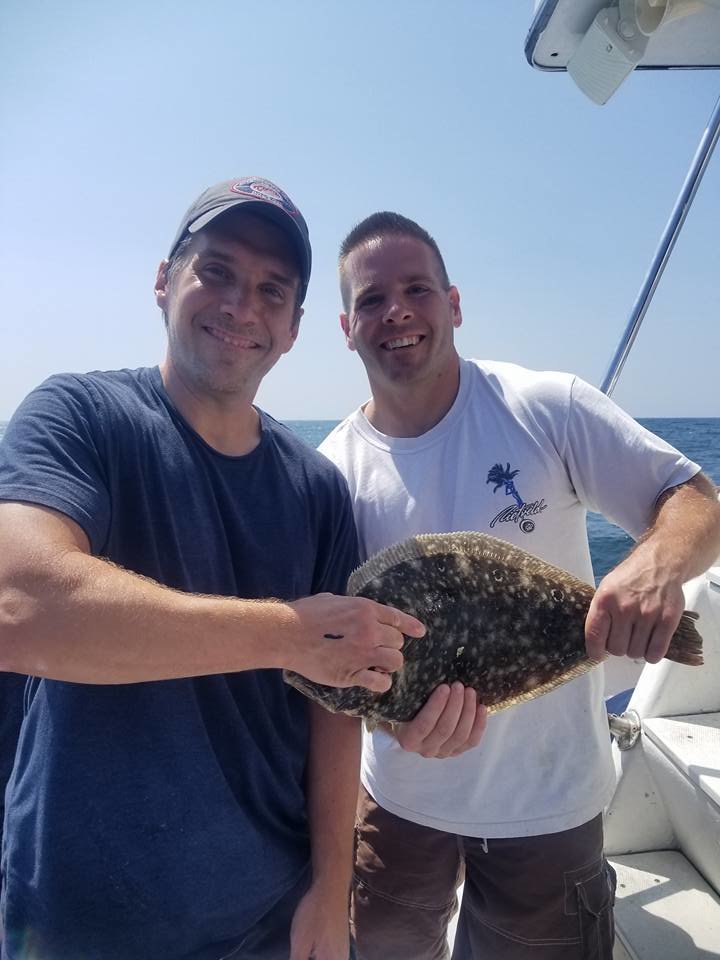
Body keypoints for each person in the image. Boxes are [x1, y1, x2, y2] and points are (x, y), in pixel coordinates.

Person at [0, 180, 426, 960]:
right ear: (165, 281)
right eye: (217, 271)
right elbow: (19, 606)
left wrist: (331, 888)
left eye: (272, 291)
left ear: (294, 329)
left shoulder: (318, 489)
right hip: (75, 922)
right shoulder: (77, 417)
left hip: (269, 915)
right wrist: (289, 634)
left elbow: (333, 713)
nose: (241, 305)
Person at [319, 211, 720, 960]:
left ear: (454, 304)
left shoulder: (546, 406)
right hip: (397, 804)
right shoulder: (331, 471)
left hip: (548, 805)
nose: (396, 311)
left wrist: (656, 565)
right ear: (347, 328)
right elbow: (338, 651)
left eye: (417, 289)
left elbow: (696, 502)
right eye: (372, 299)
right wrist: (393, 723)